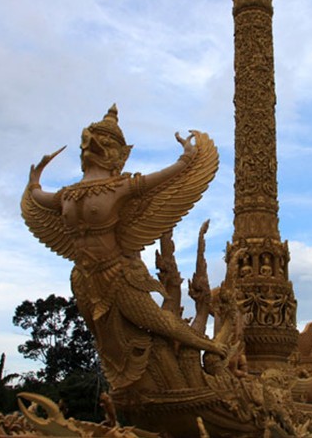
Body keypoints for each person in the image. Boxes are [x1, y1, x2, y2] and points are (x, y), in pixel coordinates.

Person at [22, 105, 226, 392]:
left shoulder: (121, 188)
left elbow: (165, 179)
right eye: (89, 140)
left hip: (117, 276)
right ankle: (127, 388)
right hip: (82, 279)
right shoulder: (66, 195)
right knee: (106, 342)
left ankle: (209, 346)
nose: (93, 146)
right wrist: (34, 182)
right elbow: (37, 199)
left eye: (105, 143)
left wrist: (188, 158)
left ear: (119, 155)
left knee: (159, 322)